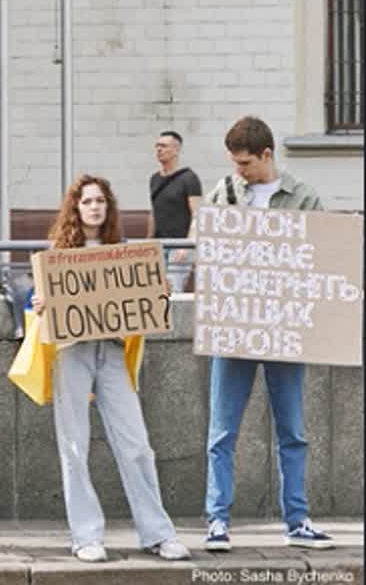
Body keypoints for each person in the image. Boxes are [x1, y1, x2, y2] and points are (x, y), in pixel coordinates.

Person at [31, 175, 188, 564]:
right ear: (76, 208)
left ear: (109, 207)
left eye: (101, 201)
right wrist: (41, 305)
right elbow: (40, 306)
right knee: (74, 446)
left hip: (113, 352)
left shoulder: (123, 252)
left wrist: (157, 292)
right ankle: (85, 536)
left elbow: (141, 301)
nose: (95, 207)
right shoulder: (58, 253)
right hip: (72, 352)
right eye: (87, 201)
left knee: (136, 445)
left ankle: (157, 533)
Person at [201, 116, 330, 552]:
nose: (239, 171)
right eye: (235, 164)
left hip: (284, 329)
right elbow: (208, 249)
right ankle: (217, 521)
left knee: (292, 430)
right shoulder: (224, 193)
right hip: (234, 325)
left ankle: (297, 519)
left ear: (267, 155)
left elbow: (321, 260)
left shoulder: (305, 198)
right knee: (222, 432)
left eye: (245, 163)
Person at [147, 130, 201, 290]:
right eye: (157, 146)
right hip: (158, 244)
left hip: (179, 245)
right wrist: (148, 242)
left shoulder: (189, 178)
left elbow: (197, 214)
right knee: (156, 289)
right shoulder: (154, 179)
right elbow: (153, 212)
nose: (159, 150)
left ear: (176, 149)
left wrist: (187, 245)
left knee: (174, 290)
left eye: (163, 146)